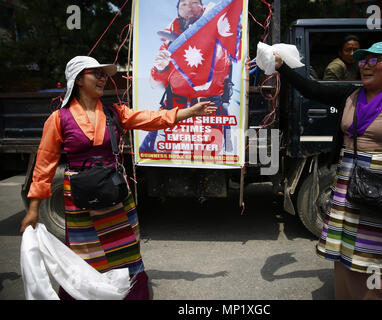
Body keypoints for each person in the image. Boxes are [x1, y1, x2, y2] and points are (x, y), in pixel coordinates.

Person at [19, 55, 216, 300]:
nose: (104, 78)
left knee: (126, 251)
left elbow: (151, 118)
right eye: (97, 74)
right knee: (85, 255)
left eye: (105, 74)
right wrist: (34, 208)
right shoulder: (58, 119)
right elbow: (44, 165)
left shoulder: (114, 113)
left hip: (115, 197)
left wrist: (189, 112)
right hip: (80, 202)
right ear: (79, 79)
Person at [274, 42, 382, 299]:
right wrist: (282, 68)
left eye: (374, 61)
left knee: (381, 252)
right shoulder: (350, 95)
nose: (365, 66)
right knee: (349, 247)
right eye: (363, 61)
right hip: (348, 185)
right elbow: (313, 89)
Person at [141, 0, 234, 154]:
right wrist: (161, 67)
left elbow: (224, 69)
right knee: (150, 154)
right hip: (174, 110)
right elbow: (155, 82)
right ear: (178, 11)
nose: (189, 7)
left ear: (202, 8)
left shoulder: (221, 37)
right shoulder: (168, 42)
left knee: (217, 158)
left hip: (210, 112)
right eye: (183, 4)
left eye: (194, 2)